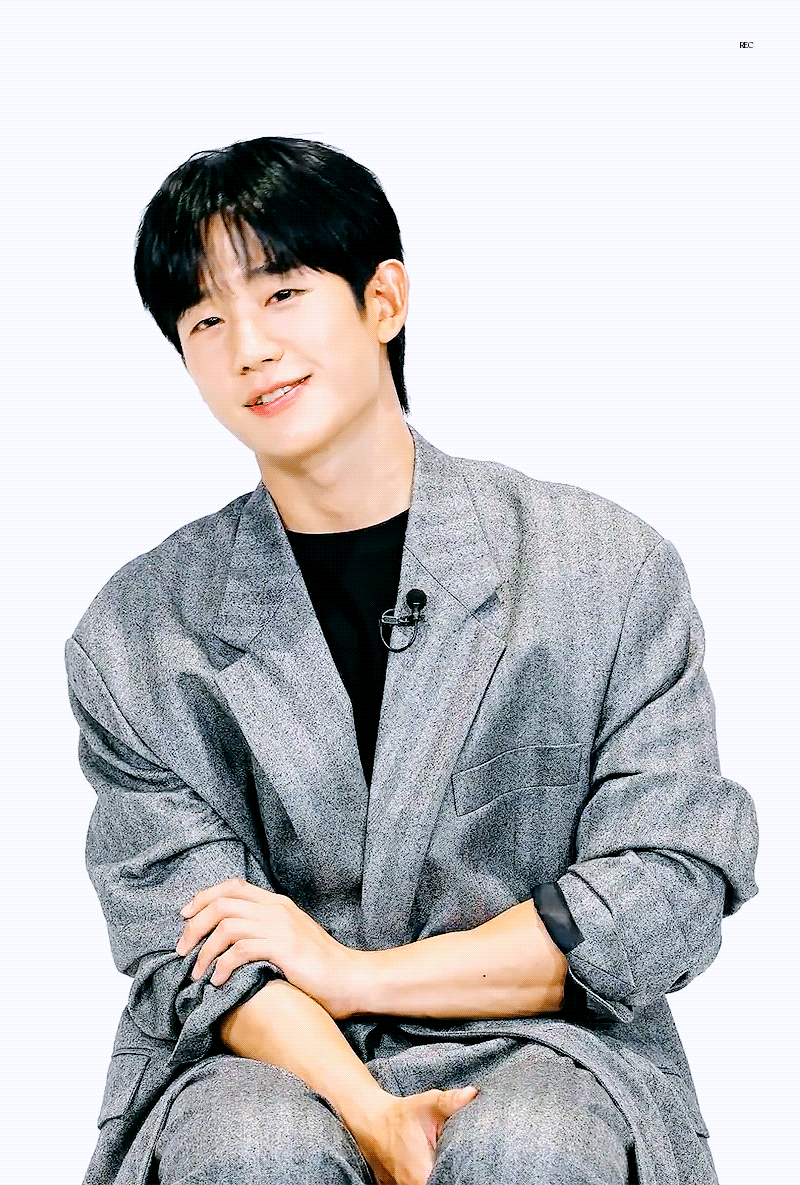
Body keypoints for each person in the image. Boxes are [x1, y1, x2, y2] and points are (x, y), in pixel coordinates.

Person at [66, 136, 759, 1185]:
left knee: (534, 1143)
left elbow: (664, 886)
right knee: (249, 1148)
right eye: (205, 321)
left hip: (552, 1043)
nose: (249, 347)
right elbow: (196, 951)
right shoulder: (135, 634)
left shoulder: (603, 568)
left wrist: (353, 973)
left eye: (282, 294)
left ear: (383, 300)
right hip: (263, 1061)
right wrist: (368, 1107)